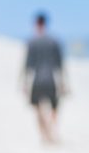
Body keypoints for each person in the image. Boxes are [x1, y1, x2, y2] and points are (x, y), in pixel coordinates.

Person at [23, 12, 65, 144]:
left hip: (37, 81)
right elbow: (60, 65)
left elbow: (27, 66)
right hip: (51, 79)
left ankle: (44, 134)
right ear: (45, 23)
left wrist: (25, 84)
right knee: (54, 107)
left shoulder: (31, 42)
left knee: (37, 108)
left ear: (36, 23)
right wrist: (63, 83)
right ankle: (52, 130)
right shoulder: (54, 41)